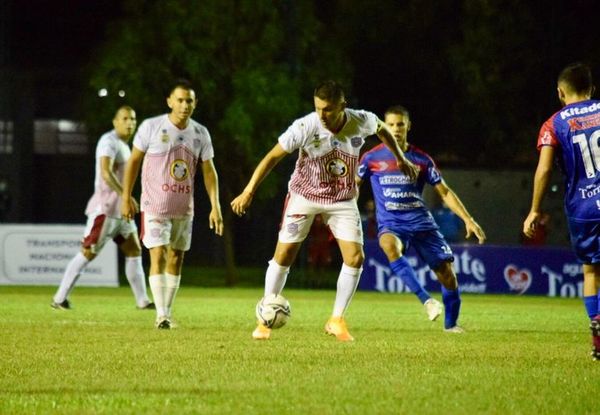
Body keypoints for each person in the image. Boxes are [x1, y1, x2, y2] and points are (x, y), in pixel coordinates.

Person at [231, 80, 418, 341]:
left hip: (341, 199)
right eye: (318, 108)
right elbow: (272, 156)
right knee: (284, 255)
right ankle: (264, 319)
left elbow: (382, 128)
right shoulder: (306, 126)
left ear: (343, 106)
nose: (322, 115)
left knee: (355, 258)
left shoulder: (360, 120)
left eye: (328, 109)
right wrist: (249, 190)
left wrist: (399, 156)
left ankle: (336, 320)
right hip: (304, 195)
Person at [357, 105, 486, 332]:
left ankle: (451, 325)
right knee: (388, 245)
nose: (395, 129)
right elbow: (353, 188)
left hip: (421, 222)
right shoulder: (371, 158)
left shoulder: (421, 159)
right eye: (390, 125)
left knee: (447, 276)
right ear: (382, 127)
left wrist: (468, 219)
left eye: (400, 124)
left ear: (408, 126)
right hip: (392, 223)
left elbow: (444, 192)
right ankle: (427, 300)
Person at [121, 79, 223, 329]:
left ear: (195, 103)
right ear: (169, 101)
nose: (184, 105)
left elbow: (209, 171)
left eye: (189, 100)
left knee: (176, 258)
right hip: (154, 205)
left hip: (183, 208)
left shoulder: (200, 133)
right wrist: (126, 196)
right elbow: (134, 161)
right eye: (179, 100)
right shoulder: (151, 126)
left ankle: (167, 312)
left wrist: (215, 205)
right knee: (159, 253)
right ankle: (162, 315)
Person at [523, 62, 600, 360]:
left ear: (560, 92)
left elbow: (543, 170)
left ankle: (597, 337)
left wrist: (534, 210)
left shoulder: (554, 123)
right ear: (592, 88)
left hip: (583, 208)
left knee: (591, 271)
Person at [52, 106, 153, 310]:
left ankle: (142, 301)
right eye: (125, 118)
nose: (130, 123)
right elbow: (106, 173)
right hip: (106, 209)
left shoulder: (125, 145)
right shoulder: (108, 141)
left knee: (134, 250)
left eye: (133, 119)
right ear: (115, 122)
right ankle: (59, 298)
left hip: (121, 212)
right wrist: (126, 195)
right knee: (88, 252)